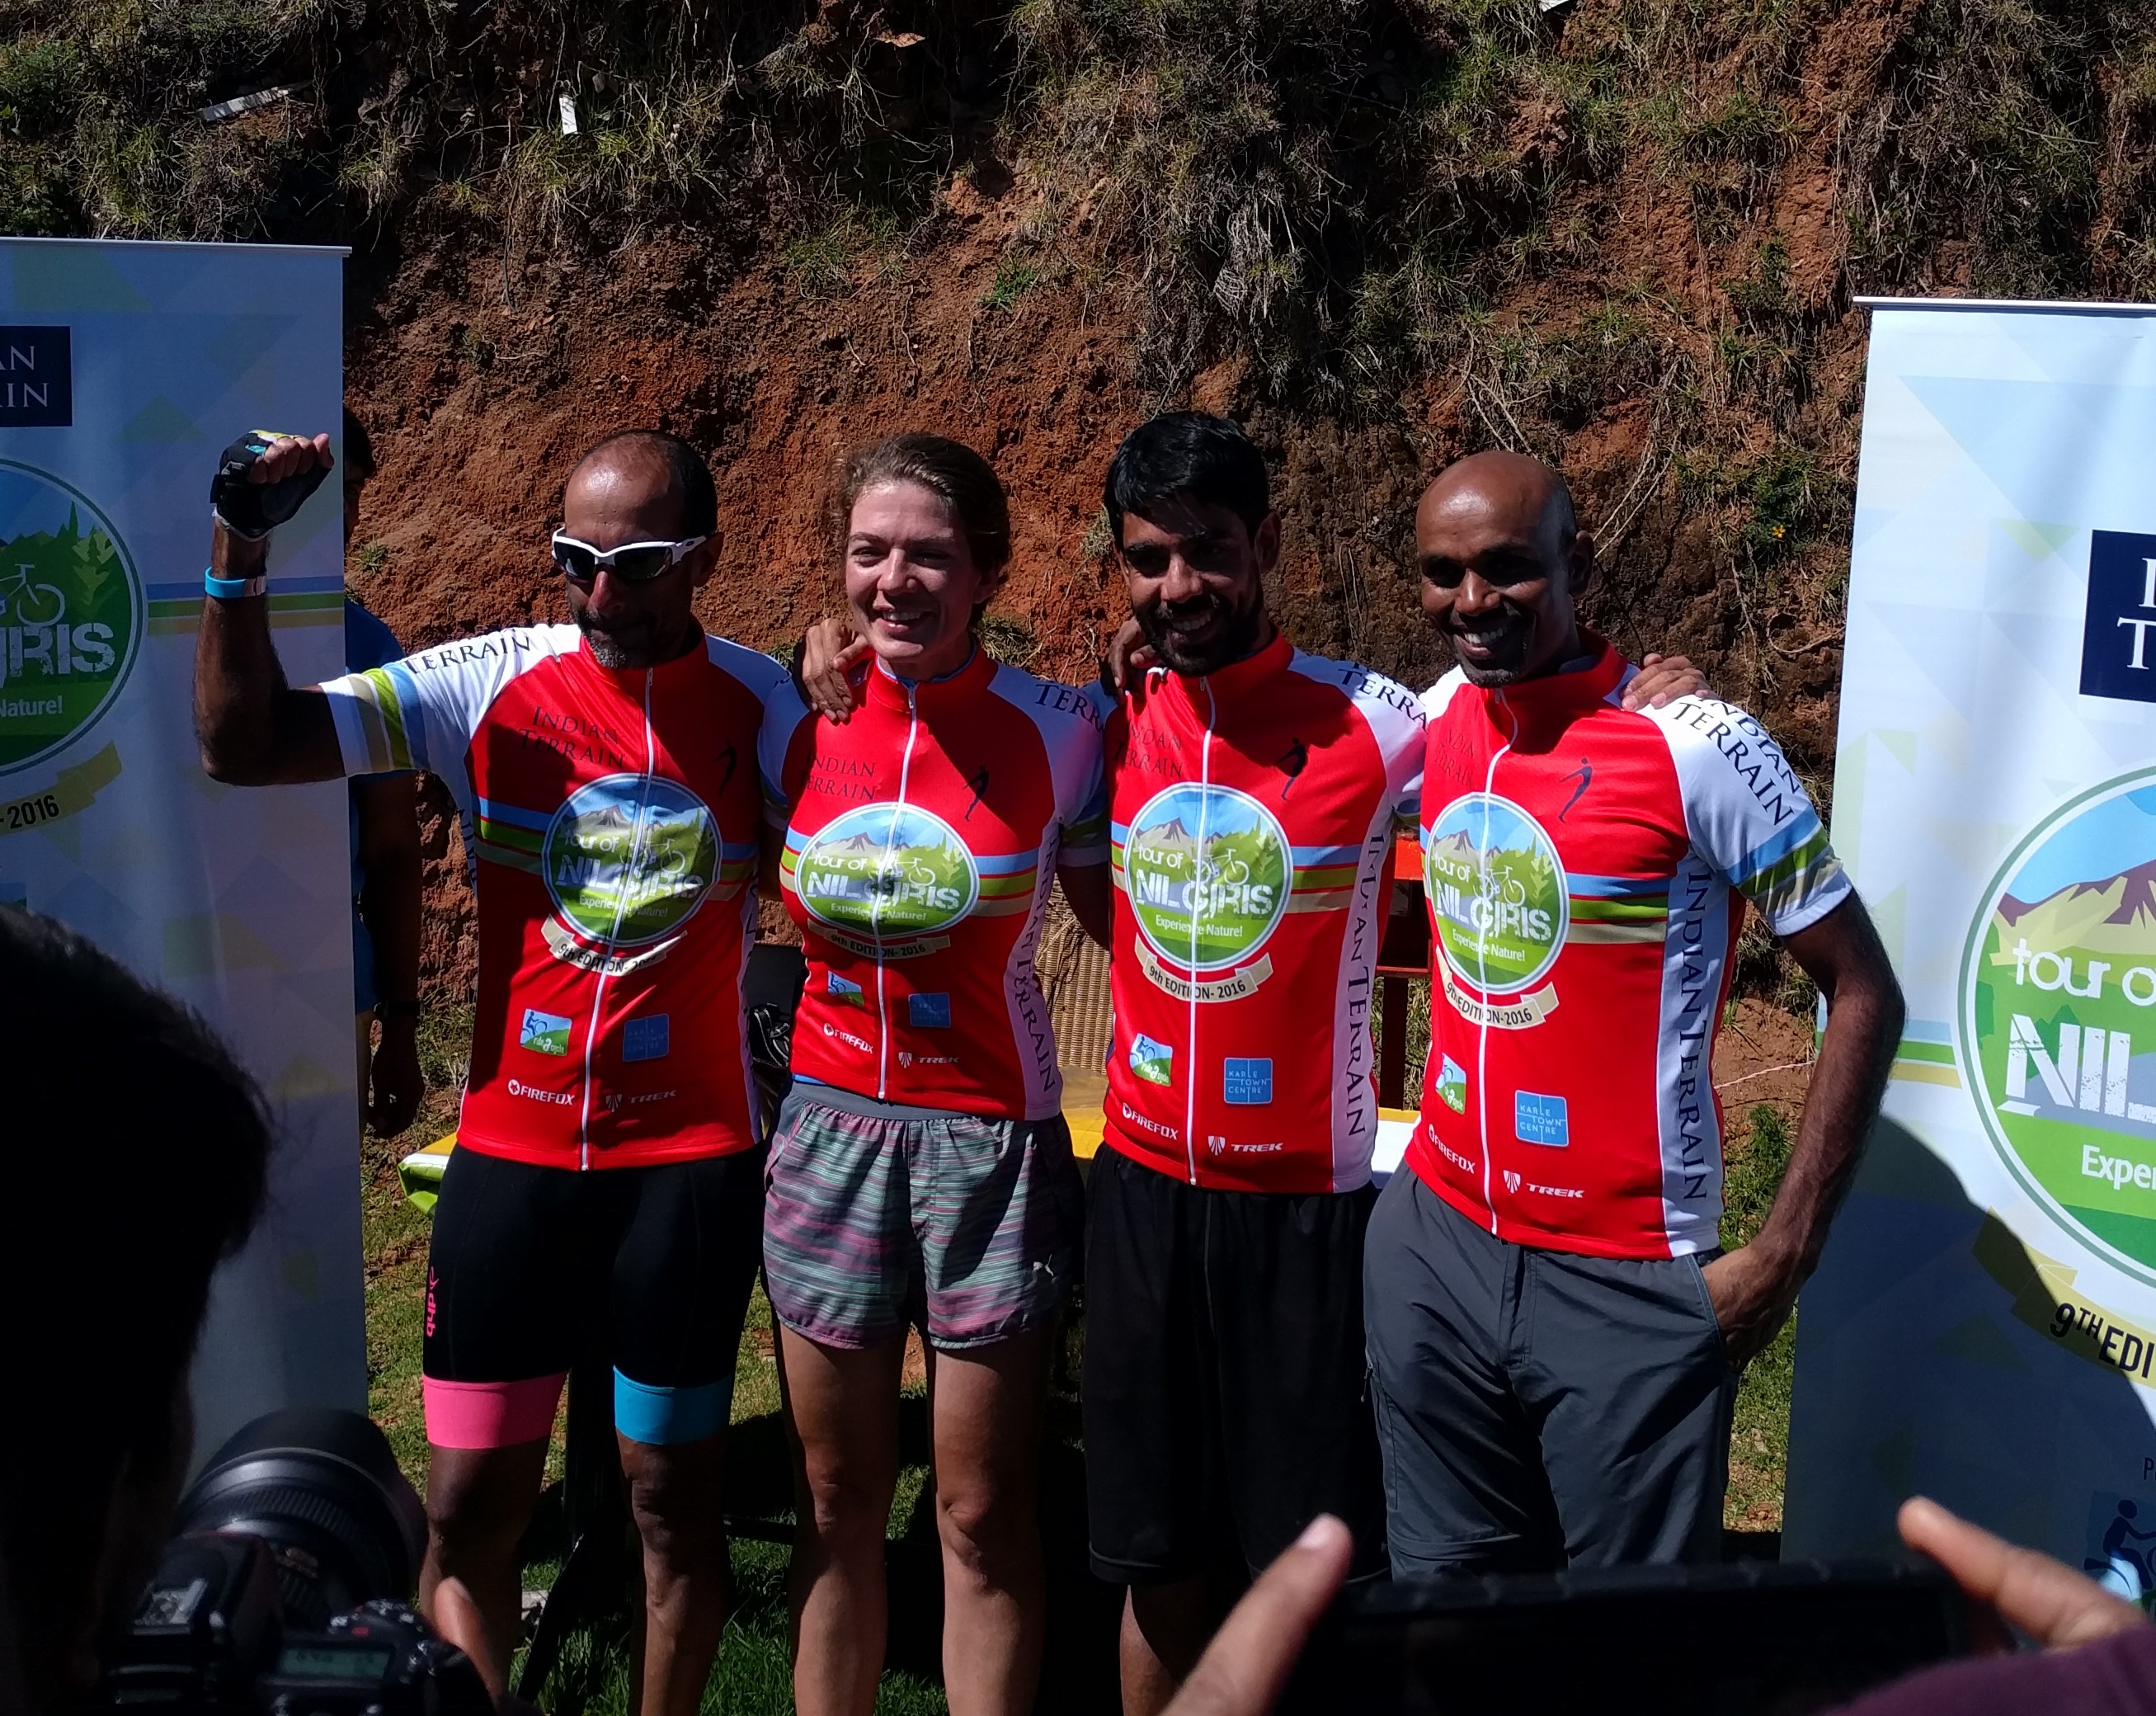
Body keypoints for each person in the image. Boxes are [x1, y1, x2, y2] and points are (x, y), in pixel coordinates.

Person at [190, 427, 789, 1716]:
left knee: (672, 1508)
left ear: (704, 559)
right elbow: (243, 744)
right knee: (465, 1514)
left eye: (632, 564)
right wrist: (240, 551)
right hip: (512, 1160)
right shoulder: (487, 682)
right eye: (573, 558)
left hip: (684, 1169)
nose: (596, 592)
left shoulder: (766, 699)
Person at [1365, 450, 1904, 1576]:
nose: (1471, 603)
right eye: (1442, 572)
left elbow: (1863, 988)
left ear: (1579, 561)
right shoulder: (1439, 719)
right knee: (1445, 1619)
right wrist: (1151, 672)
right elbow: (1291, 735)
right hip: (1436, 1245)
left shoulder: (1699, 743)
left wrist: (1782, 1253)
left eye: (1506, 568)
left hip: (1624, 1273)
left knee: (1629, 1658)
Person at [756, 436, 1109, 1716]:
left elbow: (1143, 914)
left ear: (989, 572)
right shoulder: (788, 717)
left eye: (928, 555)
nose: (892, 581)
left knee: (976, 1506)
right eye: (867, 553)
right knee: (835, 1497)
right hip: (827, 1134)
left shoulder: (1070, 730)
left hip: (988, 1147)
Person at [340, 412, 423, 1139]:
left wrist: (400, 1023)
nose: (340, 517)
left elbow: (394, 848)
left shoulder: (363, 644)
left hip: (332, 992)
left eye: (353, 491)